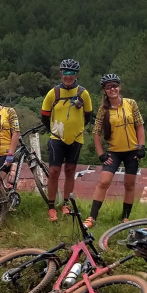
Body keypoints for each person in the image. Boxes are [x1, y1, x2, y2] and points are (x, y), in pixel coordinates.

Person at [84, 74, 146, 228]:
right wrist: (101, 154)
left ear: (120, 87)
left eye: (115, 86)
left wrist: (141, 147)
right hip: (114, 151)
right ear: (104, 91)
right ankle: (92, 217)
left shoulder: (131, 104)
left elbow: (139, 125)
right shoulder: (103, 109)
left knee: (129, 184)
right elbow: (96, 132)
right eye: (108, 87)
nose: (112, 89)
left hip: (132, 151)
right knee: (103, 182)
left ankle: (125, 218)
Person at [41, 59, 93, 221]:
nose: (68, 76)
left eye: (71, 73)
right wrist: (56, 131)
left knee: (70, 171)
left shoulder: (83, 93)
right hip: (56, 138)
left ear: (76, 75)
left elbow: (88, 116)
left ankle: (65, 204)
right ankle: (51, 207)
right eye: (65, 73)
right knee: (54, 172)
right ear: (60, 74)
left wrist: (76, 129)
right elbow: (45, 116)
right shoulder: (53, 93)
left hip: (76, 138)